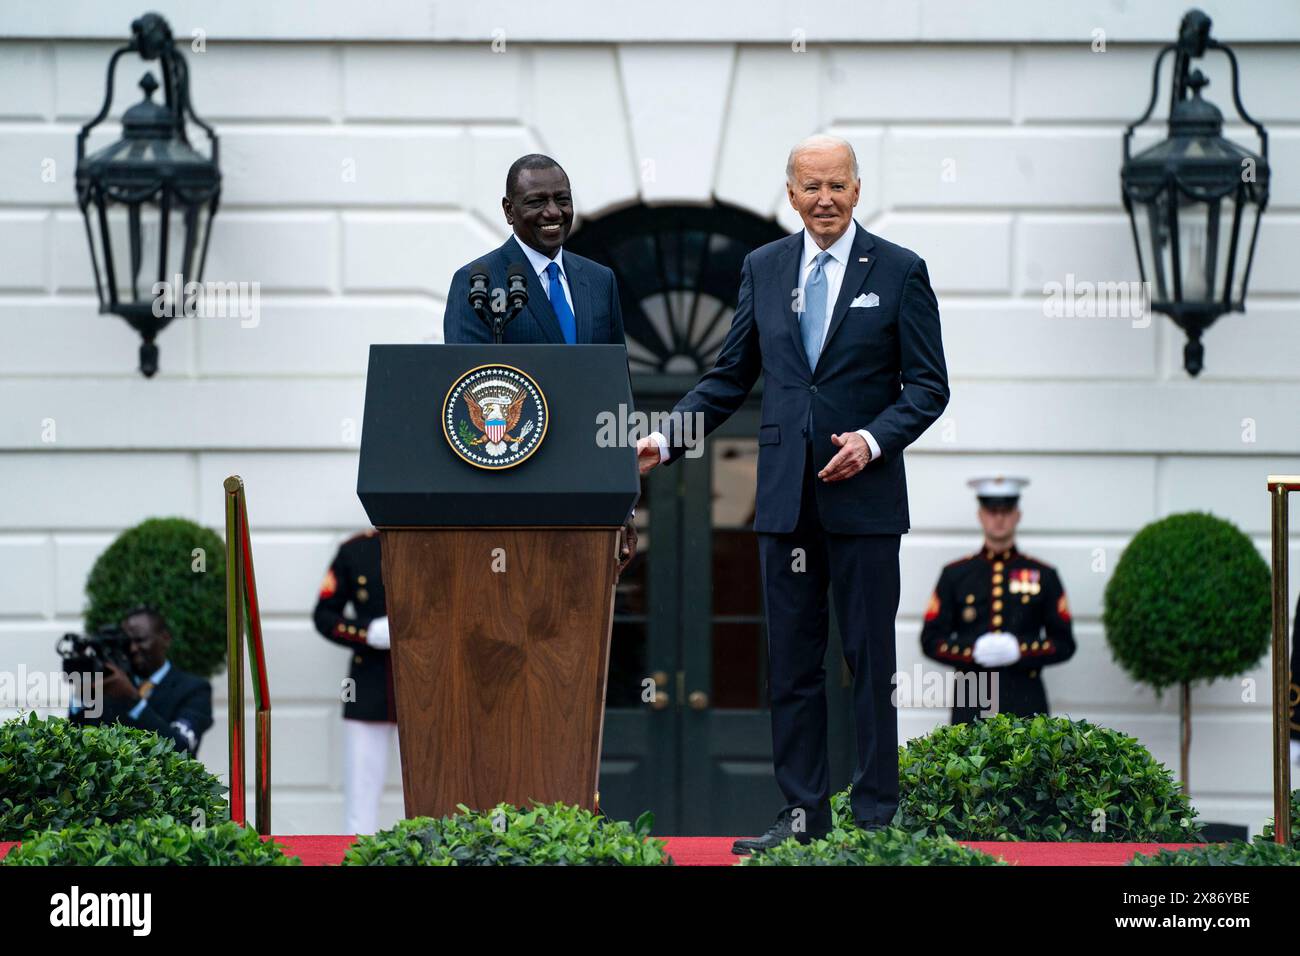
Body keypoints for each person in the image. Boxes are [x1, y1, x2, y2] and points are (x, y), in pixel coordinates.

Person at [637, 134, 950, 853]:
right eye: (811, 187)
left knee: (869, 661)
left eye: (837, 185)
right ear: (790, 194)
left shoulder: (900, 271)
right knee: (793, 666)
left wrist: (870, 441)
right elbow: (728, 376)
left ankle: (875, 819)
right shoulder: (763, 267)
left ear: (858, 189)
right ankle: (803, 816)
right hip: (783, 504)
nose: (825, 199)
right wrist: (669, 436)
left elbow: (929, 387)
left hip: (865, 502)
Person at [443, 152, 637, 571]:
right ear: (509, 211)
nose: (553, 212)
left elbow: (616, 395)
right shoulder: (477, 281)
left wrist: (625, 503)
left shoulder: (598, 281)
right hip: (512, 500)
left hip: (590, 499)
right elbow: (466, 394)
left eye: (562, 199)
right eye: (536, 202)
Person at [920, 477, 1076, 725]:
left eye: (1006, 511)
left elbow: (1064, 642)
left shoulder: (1044, 575)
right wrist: (973, 651)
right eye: (992, 511)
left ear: (1018, 516)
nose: (999, 518)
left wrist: (1020, 649)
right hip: (971, 702)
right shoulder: (955, 574)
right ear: (981, 515)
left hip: (1026, 702)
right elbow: (930, 640)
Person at [313, 528, 399, 835]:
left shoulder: (440, 543)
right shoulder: (356, 550)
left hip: (430, 686)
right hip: (369, 684)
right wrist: (367, 632)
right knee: (361, 801)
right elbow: (324, 615)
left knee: (440, 793)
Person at [68, 605, 213, 757]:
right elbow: (77, 744)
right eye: (127, 642)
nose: (132, 649)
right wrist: (81, 696)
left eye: (140, 640)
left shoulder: (194, 689)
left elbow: (182, 749)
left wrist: (133, 701)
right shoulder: (109, 686)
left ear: (165, 638)